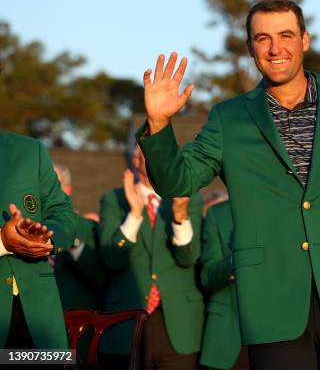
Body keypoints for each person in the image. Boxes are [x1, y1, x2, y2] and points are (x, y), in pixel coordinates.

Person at [137, 0, 320, 369]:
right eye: (262, 38)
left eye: (285, 35)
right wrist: (159, 125)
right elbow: (176, 181)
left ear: (305, 40)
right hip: (270, 306)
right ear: (250, 47)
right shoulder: (228, 118)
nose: (275, 48)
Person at [97, 146, 204, 369]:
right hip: (126, 321)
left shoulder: (187, 198)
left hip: (177, 324)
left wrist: (180, 216)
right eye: (150, 152)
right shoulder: (113, 199)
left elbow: (188, 258)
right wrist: (134, 215)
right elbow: (111, 259)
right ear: (136, 161)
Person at [0, 130, 78, 349]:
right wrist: (2, 243)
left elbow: (64, 214)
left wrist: (45, 237)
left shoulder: (31, 150)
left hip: (40, 319)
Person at [200, 200, 249, 370]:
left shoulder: (283, 208)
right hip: (227, 337)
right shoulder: (217, 214)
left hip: (278, 336)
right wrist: (237, 258)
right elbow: (207, 278)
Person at [52, 163, 106, 311]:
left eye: (53, 184)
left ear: (67, 190)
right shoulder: (28, 226)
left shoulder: (87, 227)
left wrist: (74, 242)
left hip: (75, 320)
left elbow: (99, 277)